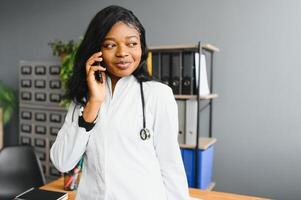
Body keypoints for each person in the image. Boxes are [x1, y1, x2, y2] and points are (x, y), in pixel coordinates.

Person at [50, 5, 190, 200]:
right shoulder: (85, 98)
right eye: (110, 45)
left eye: (132, 43)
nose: (123, 53)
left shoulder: (158, 95)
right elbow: (63, 162)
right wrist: (94, 103)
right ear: (96, 50)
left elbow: (171, 167)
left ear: (141, 47)